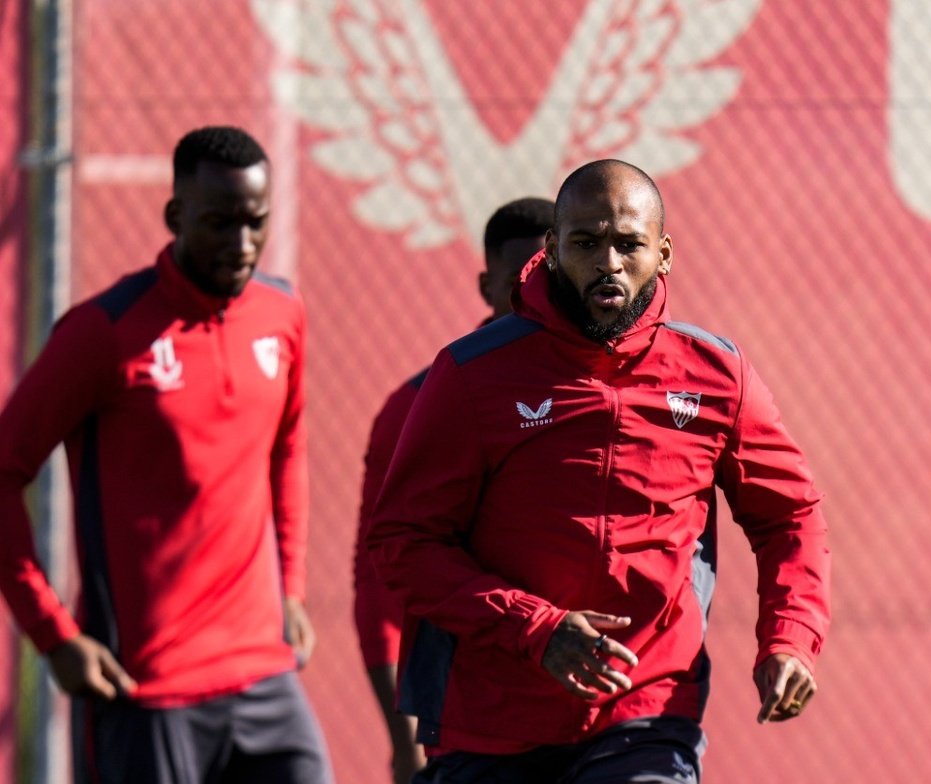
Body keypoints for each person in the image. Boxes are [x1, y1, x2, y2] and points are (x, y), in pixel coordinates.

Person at [366, 160, 832, 783]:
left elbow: (790, 515)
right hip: (492, 719)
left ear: (663, 254)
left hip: (647, 707)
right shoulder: (472, 374)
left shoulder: (717, 374)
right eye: (585, 243)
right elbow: (403, 544)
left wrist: (790, 637)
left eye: (628, 243)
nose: (608, 262)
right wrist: (536, 628)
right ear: (554, 252)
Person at [0, 126, 333, 783]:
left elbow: (287, 448)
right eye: (219, 222)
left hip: (264, 672)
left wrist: (289, 585)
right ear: (176, 216)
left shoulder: (281, 313)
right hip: (147, 689)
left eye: (255, 223)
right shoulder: (103, 333)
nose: (241, 244)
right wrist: (53, 635)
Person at [353, 197, 555, 784]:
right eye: (519, 277)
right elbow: (380, 574)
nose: (534, 291)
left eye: (549, 274)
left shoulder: (607, 391)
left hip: (595, 716)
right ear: (485, 281)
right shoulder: (416, 405)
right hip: (469, 721)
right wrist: (402, 733)